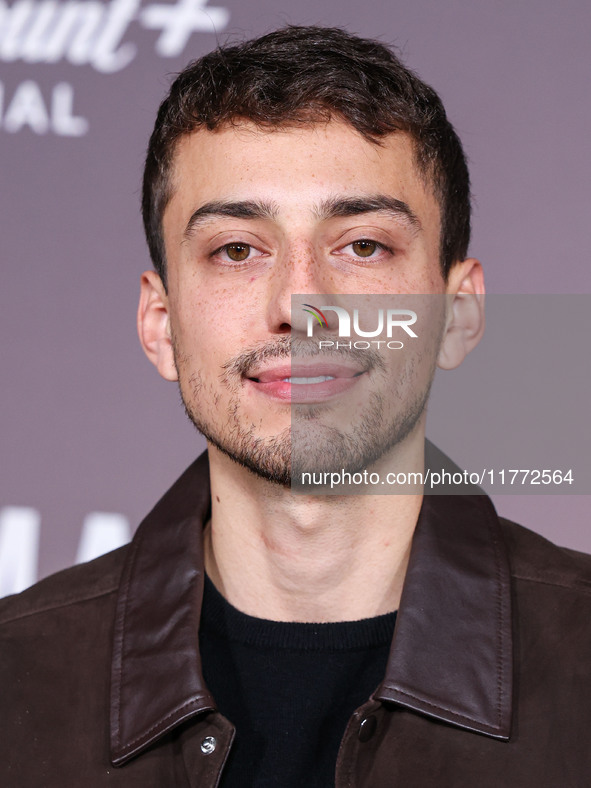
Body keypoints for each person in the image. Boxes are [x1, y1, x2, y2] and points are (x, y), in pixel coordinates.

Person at [1, 25, 590, 787]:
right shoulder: (16, 679)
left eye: (363, 246)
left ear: (460, 315)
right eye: (236, 250)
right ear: (161, 325)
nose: (301, 303)